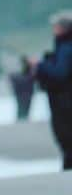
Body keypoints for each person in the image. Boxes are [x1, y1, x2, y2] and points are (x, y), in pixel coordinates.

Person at [31, 11, 72, 170]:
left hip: (65, 103)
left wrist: (40, 65)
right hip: (61, 101)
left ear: (64, 28)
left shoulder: (67, 48)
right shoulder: (63, 46)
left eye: (56, 26)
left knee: (66, 138)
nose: (53, 29)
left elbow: (59, 74)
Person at [8, 56, 35, 121]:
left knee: (25, 108)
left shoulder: (29, 71)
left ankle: (23, 119)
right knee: (21, 108)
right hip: (21, 93)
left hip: (26, 92)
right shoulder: (20, 71)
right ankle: (21, 119)